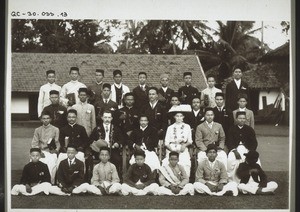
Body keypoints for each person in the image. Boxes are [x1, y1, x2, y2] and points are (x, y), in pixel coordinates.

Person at [89, 110, 124, 177]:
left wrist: (117, 143)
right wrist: (96, 143)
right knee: (93, 159)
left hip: (112, 149)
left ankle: (114, 177)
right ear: (102, 118)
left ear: (111, 118)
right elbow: (90, 139)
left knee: (117, 159)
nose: (107, 119)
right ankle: (98, 177)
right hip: (99, 150)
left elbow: (122, 139)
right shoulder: (97, 129)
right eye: (105, 117)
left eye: (109, 117)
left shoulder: (116, 128)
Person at [227, 111, 260, 183]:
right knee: (231, 159)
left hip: (247, 149)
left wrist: (250, 152)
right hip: (235, 149)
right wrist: (235, 151)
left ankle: (251, 181)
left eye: (243, 118)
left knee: (253, 160)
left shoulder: (249, 129)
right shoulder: (232, 129)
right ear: (236, 119)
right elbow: (229, 142)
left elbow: (254, 143)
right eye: (240, 118)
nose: (242, 120)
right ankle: (233, 180)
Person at [163, 105, 193, 177]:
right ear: (174, 117)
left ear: (183, 117)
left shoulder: (187, 126)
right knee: (166, 163)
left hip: (182, 148)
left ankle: (184, 180)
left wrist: (184, 145)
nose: (179, 118)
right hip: (172, 148)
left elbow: (190, 141)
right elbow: (166, 143)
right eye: (177, 116)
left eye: (181, 116)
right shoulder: (170, 127)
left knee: (184, 163)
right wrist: (173, 150)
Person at [31, 111, 60, 184]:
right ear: (41, 120)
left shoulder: (55, 129)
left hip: (51, 151)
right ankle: (36, 182)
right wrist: (39, 152)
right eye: (44, 118)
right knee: (35, 160)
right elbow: (34, 143)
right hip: (40, 151)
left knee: (51, 162)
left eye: (47, 118)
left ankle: (49, 182)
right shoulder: (37, 130)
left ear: (50, 119)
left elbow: (57, 142)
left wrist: (56, 150)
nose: (46, 120)